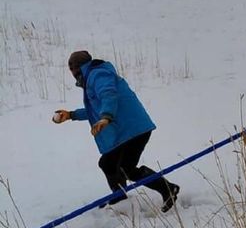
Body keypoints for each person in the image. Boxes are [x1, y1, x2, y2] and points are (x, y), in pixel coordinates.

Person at [53, 51, 180, 212]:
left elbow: (108, 95)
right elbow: (95, 109)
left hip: (133, 129)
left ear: (75, 68)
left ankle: (168, 189)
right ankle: (120, 197)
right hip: (127, 130)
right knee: (108, 163)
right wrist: (71, 115)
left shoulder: (98, 75)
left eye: (70, 68)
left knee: (126, 168)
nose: (70, 72)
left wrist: (106, 117)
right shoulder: (93, 76)